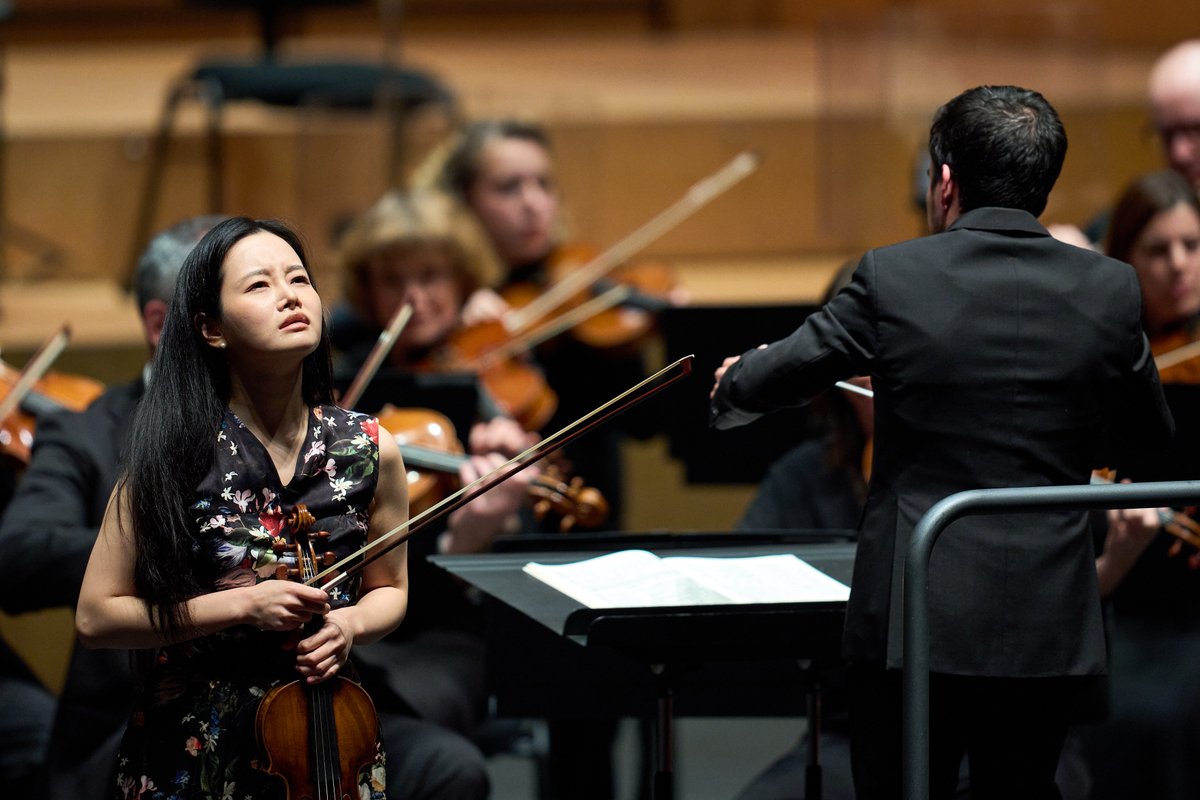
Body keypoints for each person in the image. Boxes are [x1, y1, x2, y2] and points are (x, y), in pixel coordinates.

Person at [709, 85, 1173, 800]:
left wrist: (735, 385)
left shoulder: (896, 278)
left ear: (944, 178)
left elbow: (770, 380)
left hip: (915, 618)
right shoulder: (1109, 288)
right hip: (1047, 621)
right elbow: (1151, 439)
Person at [73, 217, 409, 799]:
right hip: (197, 751)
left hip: (325, 737)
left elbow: (391, 590)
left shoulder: (368, 448)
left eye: (300, 279)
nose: (289, 296)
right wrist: (240, 605)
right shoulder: (172, 456)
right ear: (211, 328)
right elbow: (96, 618)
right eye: (259, 285)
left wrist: (347, 624)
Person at [0, 215, 223, 800]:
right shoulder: (89, 431)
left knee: (443, 765)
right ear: (160, 324)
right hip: (140, 720)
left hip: (294, 697)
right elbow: (17, 556)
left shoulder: (308, 424)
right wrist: (157, 548)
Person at [1075, 169, 1200, 800]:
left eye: (1192, 246)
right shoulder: (1101, 372)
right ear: (1124, 261)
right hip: (1127, 617)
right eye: (1157, 250)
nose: (1179, 266)